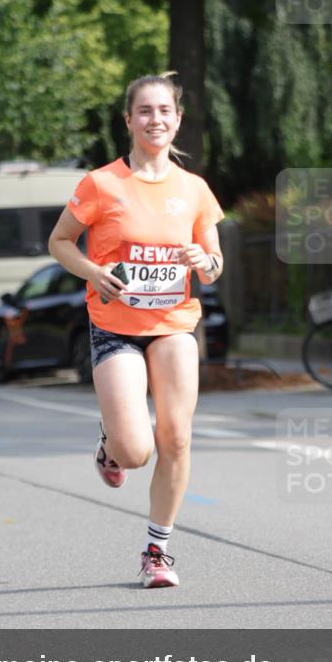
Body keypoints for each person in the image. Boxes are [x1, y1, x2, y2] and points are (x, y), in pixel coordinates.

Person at [48, 73, 224, 588]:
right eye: (145, 111)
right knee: (136, 450)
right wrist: (92, 271)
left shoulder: (194, 189)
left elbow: (215, 266)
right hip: (115, 327)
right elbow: (60, 242)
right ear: (129, 121)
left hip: (173, 325)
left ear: (178, 119)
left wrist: (204, 259)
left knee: (177, 437)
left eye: (164, 111)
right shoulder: (101, 184)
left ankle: (157, 551)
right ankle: (111, 446)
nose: (156, 120)